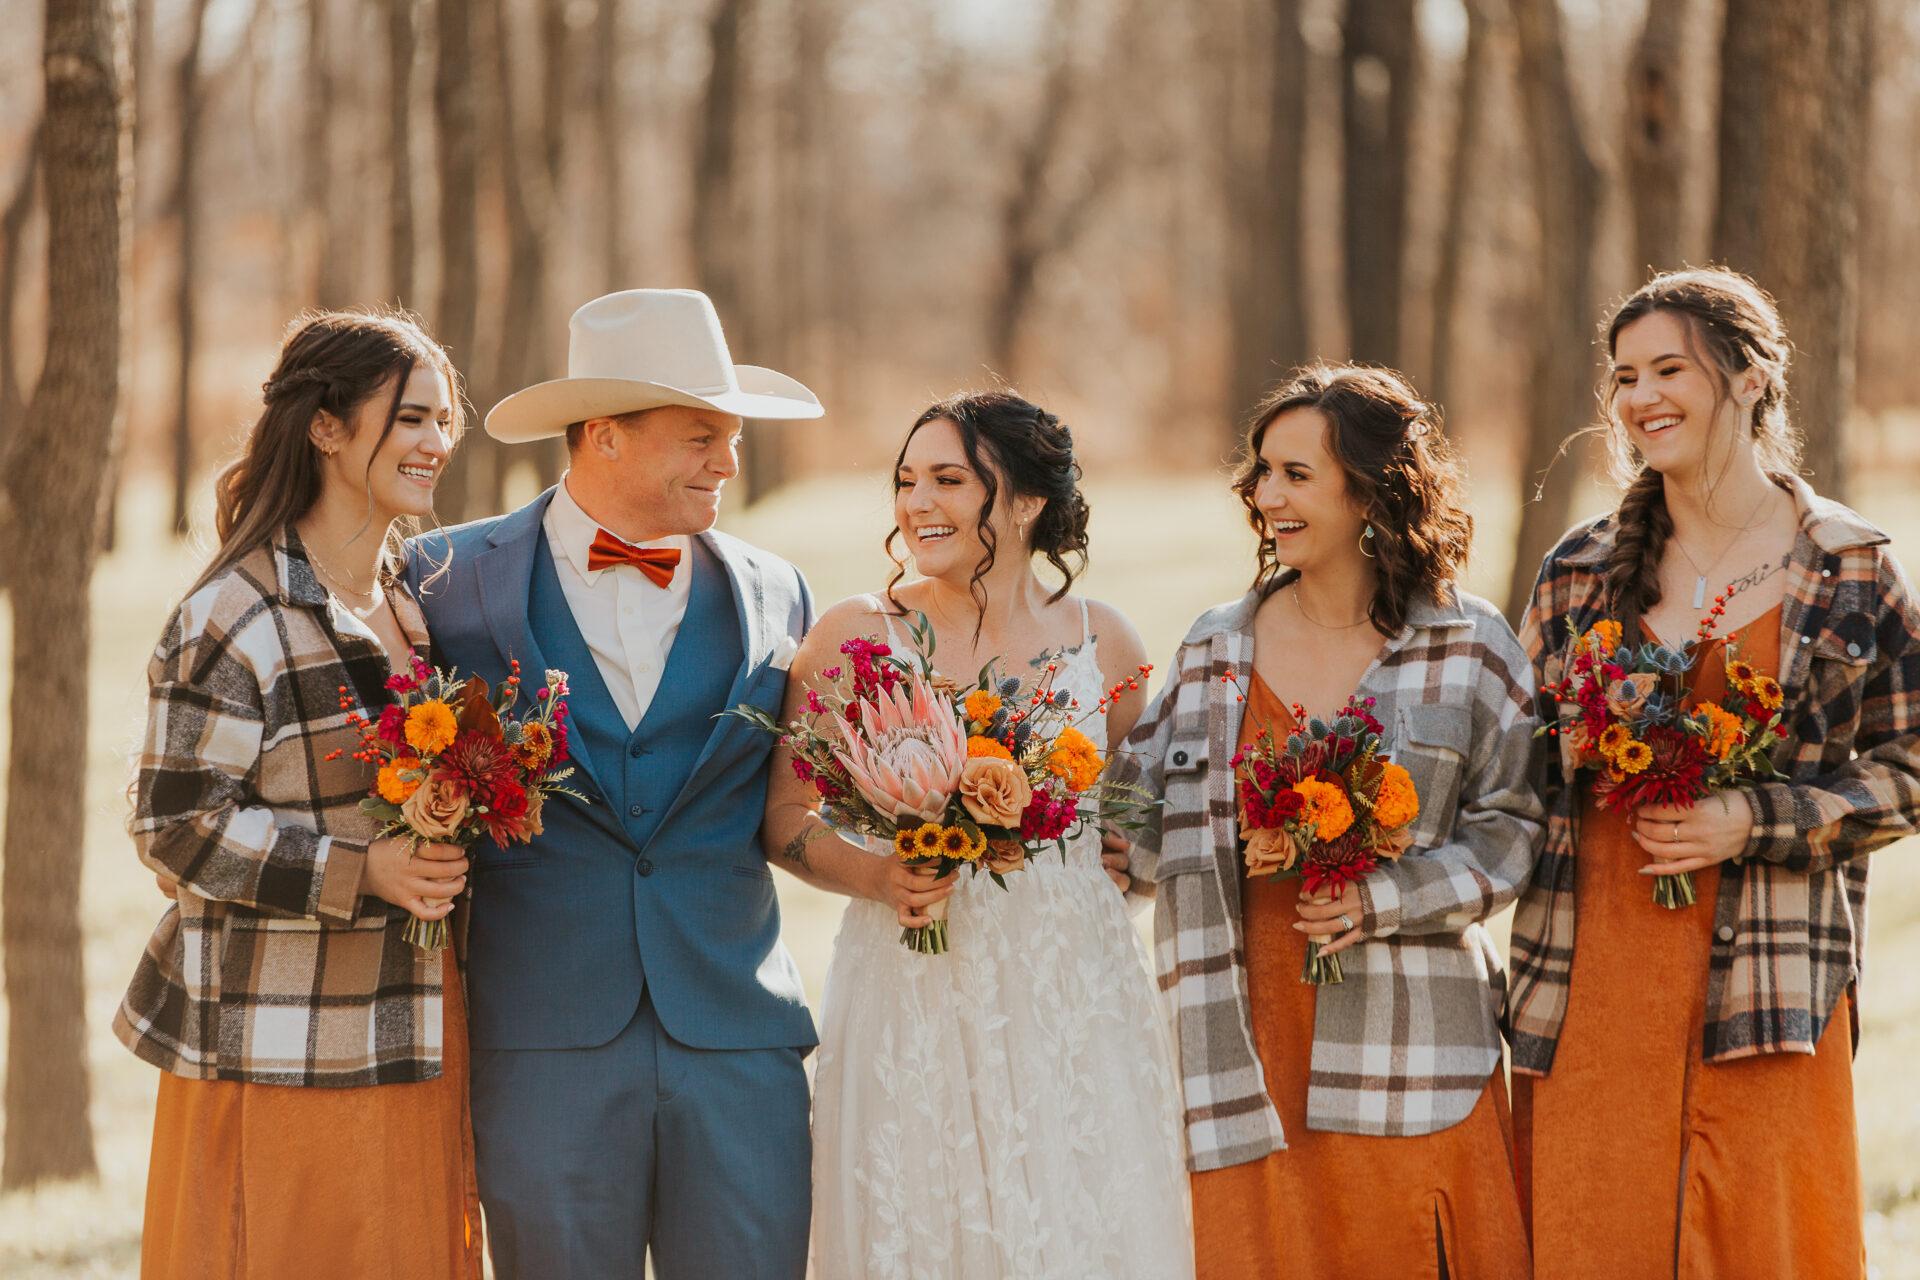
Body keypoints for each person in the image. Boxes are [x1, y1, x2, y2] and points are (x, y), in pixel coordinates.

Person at [405, 288, 837, 1280]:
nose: (729, 462)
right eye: (701, 437)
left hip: (738, 1040)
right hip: (543, 1038)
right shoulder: (443, 579)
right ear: (603, 434)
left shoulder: (779, 587)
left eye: (731, 437)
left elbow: (795, 799)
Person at [1507, 267, 1919, 1278]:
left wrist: (1756, 815)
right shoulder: (1579, 569)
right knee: (1590, 1238)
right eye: (1624, 375)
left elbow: (1912, 764)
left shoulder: (1848, 563)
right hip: (1592, 970)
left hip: (1774, 982)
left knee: (1768, 1246)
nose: (1640, 396)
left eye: (1667, 369)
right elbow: (1507, 768)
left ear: (1749, 376)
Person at [764, 390, 1193, 1279]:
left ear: (1027, 502)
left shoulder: (1104, 644)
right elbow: (785, 820)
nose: (917, 502)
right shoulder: (855, 638)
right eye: (907, 479)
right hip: (915, 977)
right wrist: (878, 878)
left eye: (949, 479)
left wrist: (1131, 869)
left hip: (1072, 987)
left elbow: (1125, 824)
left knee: (1084, 1224)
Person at [1127, 364, 1541, 1279]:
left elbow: (1515, 833)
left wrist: (1385, 898)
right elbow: (1137, 821)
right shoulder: (1214, 646)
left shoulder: (1469, 645)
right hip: (1238, 1051)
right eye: (1262, 474)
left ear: (1370, 492)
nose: (1268, 496)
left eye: (1297, 475)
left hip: (1415, 1054)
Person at [116, 310, 480, 1278]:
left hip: (416, 1028)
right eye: (409, 418)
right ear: (325, 424)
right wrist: (367, 869)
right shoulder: (233, 615)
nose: (436, 442)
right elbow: (174, 825)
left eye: (445, 420)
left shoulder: (412, 601)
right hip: (283, 1052)